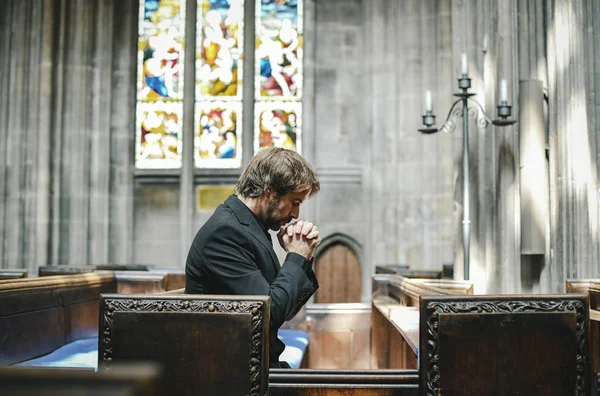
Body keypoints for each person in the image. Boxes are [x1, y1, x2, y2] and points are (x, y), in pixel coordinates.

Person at [185, 147, 321, 368]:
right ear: (270, 191)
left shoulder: (251, 228)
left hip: (255, 365)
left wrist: (302, 259)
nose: (296, 214)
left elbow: (286, 309)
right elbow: (268, 313)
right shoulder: (225, 233)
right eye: (294, 202)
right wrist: (296, 256)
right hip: (235, 375)